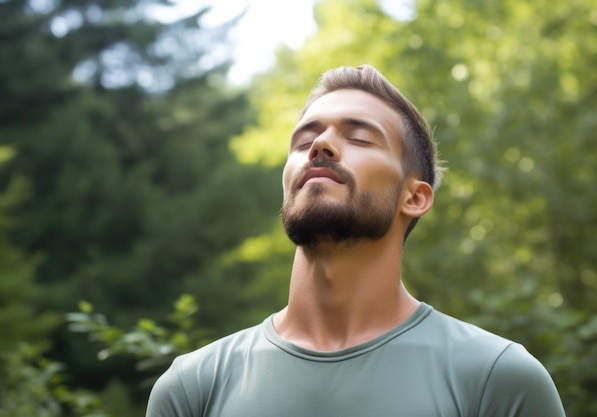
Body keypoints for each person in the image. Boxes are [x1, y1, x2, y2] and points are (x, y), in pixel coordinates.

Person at [145, 65, 566, 417]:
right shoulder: (192, 388)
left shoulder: (497, 379)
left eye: (360, 138)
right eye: (304, 141)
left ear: (414, 197)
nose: (321, 146)